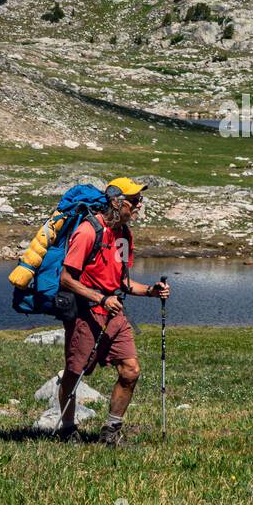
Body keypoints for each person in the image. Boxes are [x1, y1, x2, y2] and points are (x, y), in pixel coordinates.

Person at [55, 177, 169, 446]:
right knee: (75, 372)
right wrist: (100, 298)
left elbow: (123, 282)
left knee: (131, 370)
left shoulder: (124, 234)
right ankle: (67, 430)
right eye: (134, 200)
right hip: (87, 314)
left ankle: (110, 433)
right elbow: (66, 279)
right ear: (117, 202)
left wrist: (150, 291)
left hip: (115, 315)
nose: (139, 205)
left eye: (140, 200)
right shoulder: (87, 231)